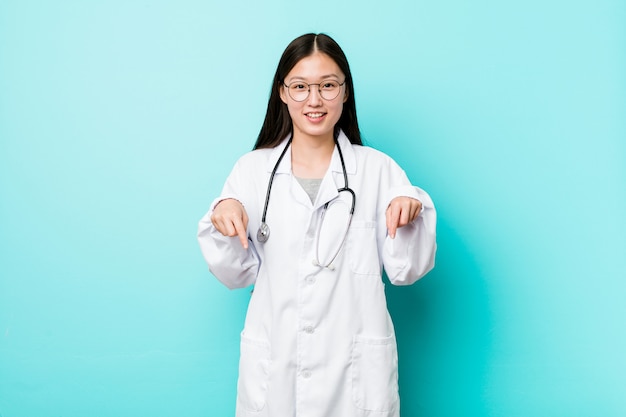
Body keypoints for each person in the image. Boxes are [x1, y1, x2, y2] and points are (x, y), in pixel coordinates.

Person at [197, 33, 437, 417]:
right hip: (276, 371)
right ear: (282, 93)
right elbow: (234, 274)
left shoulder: (378, 171)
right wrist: (221, 222)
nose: (314, 99)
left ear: (345, 92)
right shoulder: (252, 171)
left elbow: (406, 270)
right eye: (301, 86)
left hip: (355, 377)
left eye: (328, 85)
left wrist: (412, 212)